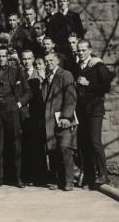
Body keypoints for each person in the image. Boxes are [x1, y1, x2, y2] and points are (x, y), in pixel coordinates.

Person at [0, 46, 32, 188]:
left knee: (15, 144)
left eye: (3, 56)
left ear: (8, 57)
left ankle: (17, 177)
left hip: (12, 110)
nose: (1, 59)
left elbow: (28, 92)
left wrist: (18, 104)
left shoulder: (16, 71)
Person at [75, 39, 112, 188]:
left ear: (90, 50)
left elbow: (106, 86)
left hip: (95, 109)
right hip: (82, 110)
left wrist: (88, 84)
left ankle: (103, 175)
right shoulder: (78, 66)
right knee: (84, 143)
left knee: (95, 141)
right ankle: (90, 176)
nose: (81, 53)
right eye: (79, 50)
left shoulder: (98, 65)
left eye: (83, 50)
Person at [42, 53, 77, 191]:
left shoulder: (65, 75)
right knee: (54, 149)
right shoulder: (47, 78)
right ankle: (57, 179)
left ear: (57, 61)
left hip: (63, 118)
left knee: (65, 148)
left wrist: (66, 116)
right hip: (50, 119)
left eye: (51, 60)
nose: (48, 63)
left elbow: (70, 96)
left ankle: (69, 181)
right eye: (46, 61)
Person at [20, 50, 47, 185]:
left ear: (33, 59)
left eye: (29, 59)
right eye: (24, 59)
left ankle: (39, 177)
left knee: (37, 146)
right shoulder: (19, 74)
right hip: (24, 114)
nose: (26, 61)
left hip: (37, 114)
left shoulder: (39, 74)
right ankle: (27, 176)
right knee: (25, 146)